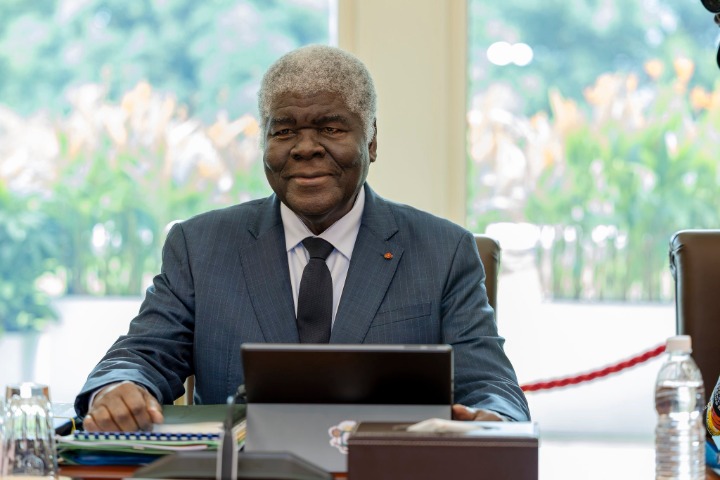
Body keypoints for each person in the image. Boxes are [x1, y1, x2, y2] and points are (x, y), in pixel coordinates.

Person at [75, 44, 530, 432]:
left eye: (331, 128)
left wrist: (490, 420)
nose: (305, 147)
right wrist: (119, 387)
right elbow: (143, 354)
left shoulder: (444, 252)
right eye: (284, 130)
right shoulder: (199, 246)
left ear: (371, 140)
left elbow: (490, 385)